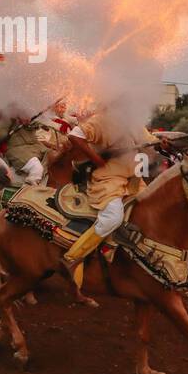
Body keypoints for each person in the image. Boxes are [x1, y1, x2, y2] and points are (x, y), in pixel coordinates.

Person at [59, 107, 153, 285]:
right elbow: (75, 135)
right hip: (108, 179)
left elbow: (150, 140)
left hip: (133, 180)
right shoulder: (102, 120)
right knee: (112, 217)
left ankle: (115, 249)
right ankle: (72, 258)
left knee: (151, 208)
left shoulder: (134, 123)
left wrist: (163, 142)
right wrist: (96, 159)